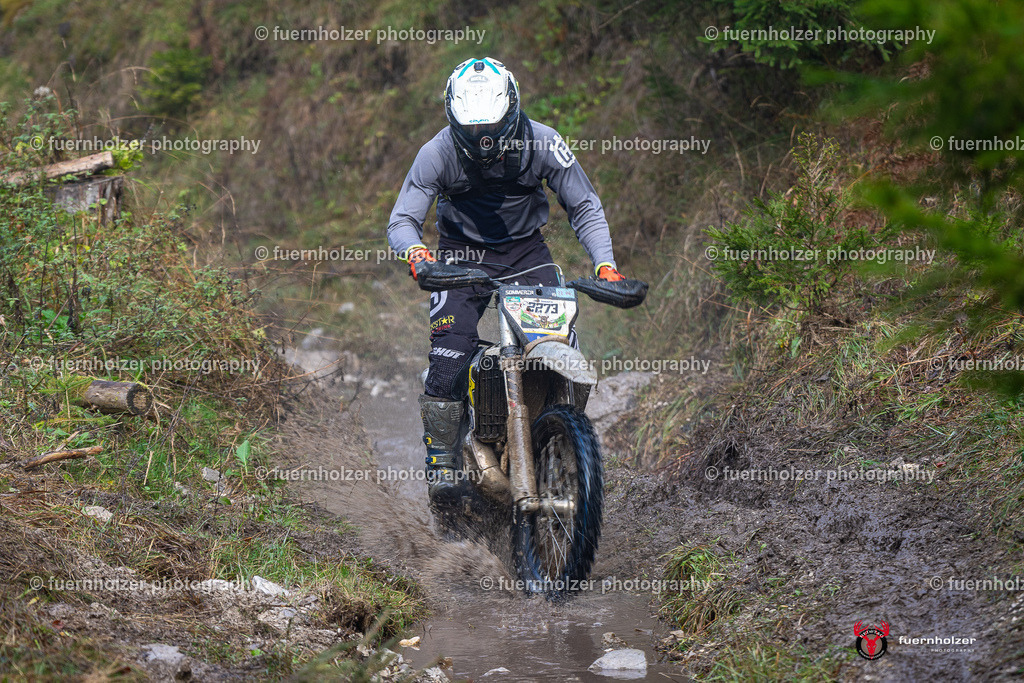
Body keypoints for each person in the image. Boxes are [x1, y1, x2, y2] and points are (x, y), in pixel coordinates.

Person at [387, 57, 626, 505]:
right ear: (454, 121)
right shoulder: (436, 153)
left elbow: (585, 205)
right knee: (449, 354)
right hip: (461, 259)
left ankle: (559, 439)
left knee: (560, 355)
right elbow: (402, 220)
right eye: (473, 135)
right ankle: (441, 457)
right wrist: (417, 253)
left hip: (525, 254)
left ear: (512, 111)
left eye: (492, 131)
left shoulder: (544, 143)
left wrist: (606, 265)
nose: (484, 144)